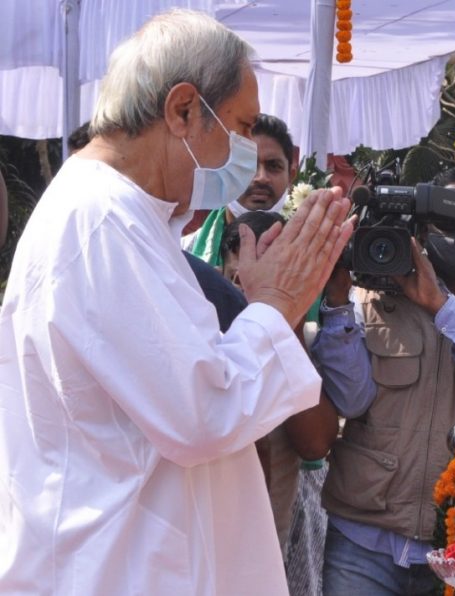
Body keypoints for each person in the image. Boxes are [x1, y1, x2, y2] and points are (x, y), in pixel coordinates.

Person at [0, 10, 353, 595]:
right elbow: (203, 415)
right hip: (120, 570)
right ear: (183, 110)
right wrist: (276, 303)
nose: (245, 153)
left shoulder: (128, 217)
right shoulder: (99, 221)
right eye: (240, 128)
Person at [312, 165, 455, 595]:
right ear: (424, 228)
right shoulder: (370, 299)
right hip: (363, 539)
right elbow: (350, 401)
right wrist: (335, 303)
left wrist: (440, 306)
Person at [185, 112, 298, 266]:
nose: (261, 177)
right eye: (247, 166)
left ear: (291, 175)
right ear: (221, 169)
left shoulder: (316, 258)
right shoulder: (184, 256)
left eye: (273, 166)